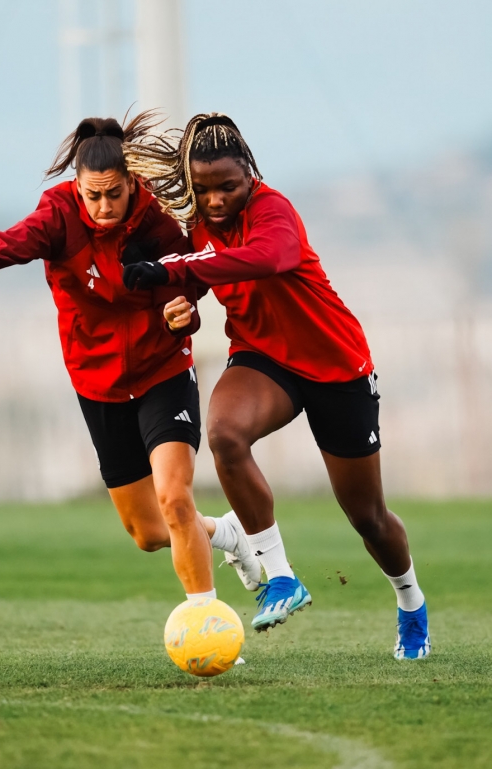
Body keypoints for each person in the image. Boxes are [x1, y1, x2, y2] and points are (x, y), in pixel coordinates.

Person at [0, 111, 261, 604]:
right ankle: (227, 535)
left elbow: (192, 280)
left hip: (163, 372)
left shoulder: (156, 222)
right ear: (78, 185)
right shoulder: (58, 218)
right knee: (150, 533)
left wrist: (184, 312)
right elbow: (4, 246)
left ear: (133, 183)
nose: (104, 205)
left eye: (115, 193)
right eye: (93, 195)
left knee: (175, 500)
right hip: (99, 384)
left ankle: (209, 622)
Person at [121, 113, 431, 659]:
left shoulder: (274, 210)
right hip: (264, 359)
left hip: (336, 366)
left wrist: (173, 270)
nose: (215, 200)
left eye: (227, 187)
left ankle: (410, 604)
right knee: (223, 435)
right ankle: (282, 577)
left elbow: (269, 259)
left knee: (369, 518)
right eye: (204, 189)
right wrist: (180, 310)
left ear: (250, 176)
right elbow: (192, 295)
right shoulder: (199, 231)